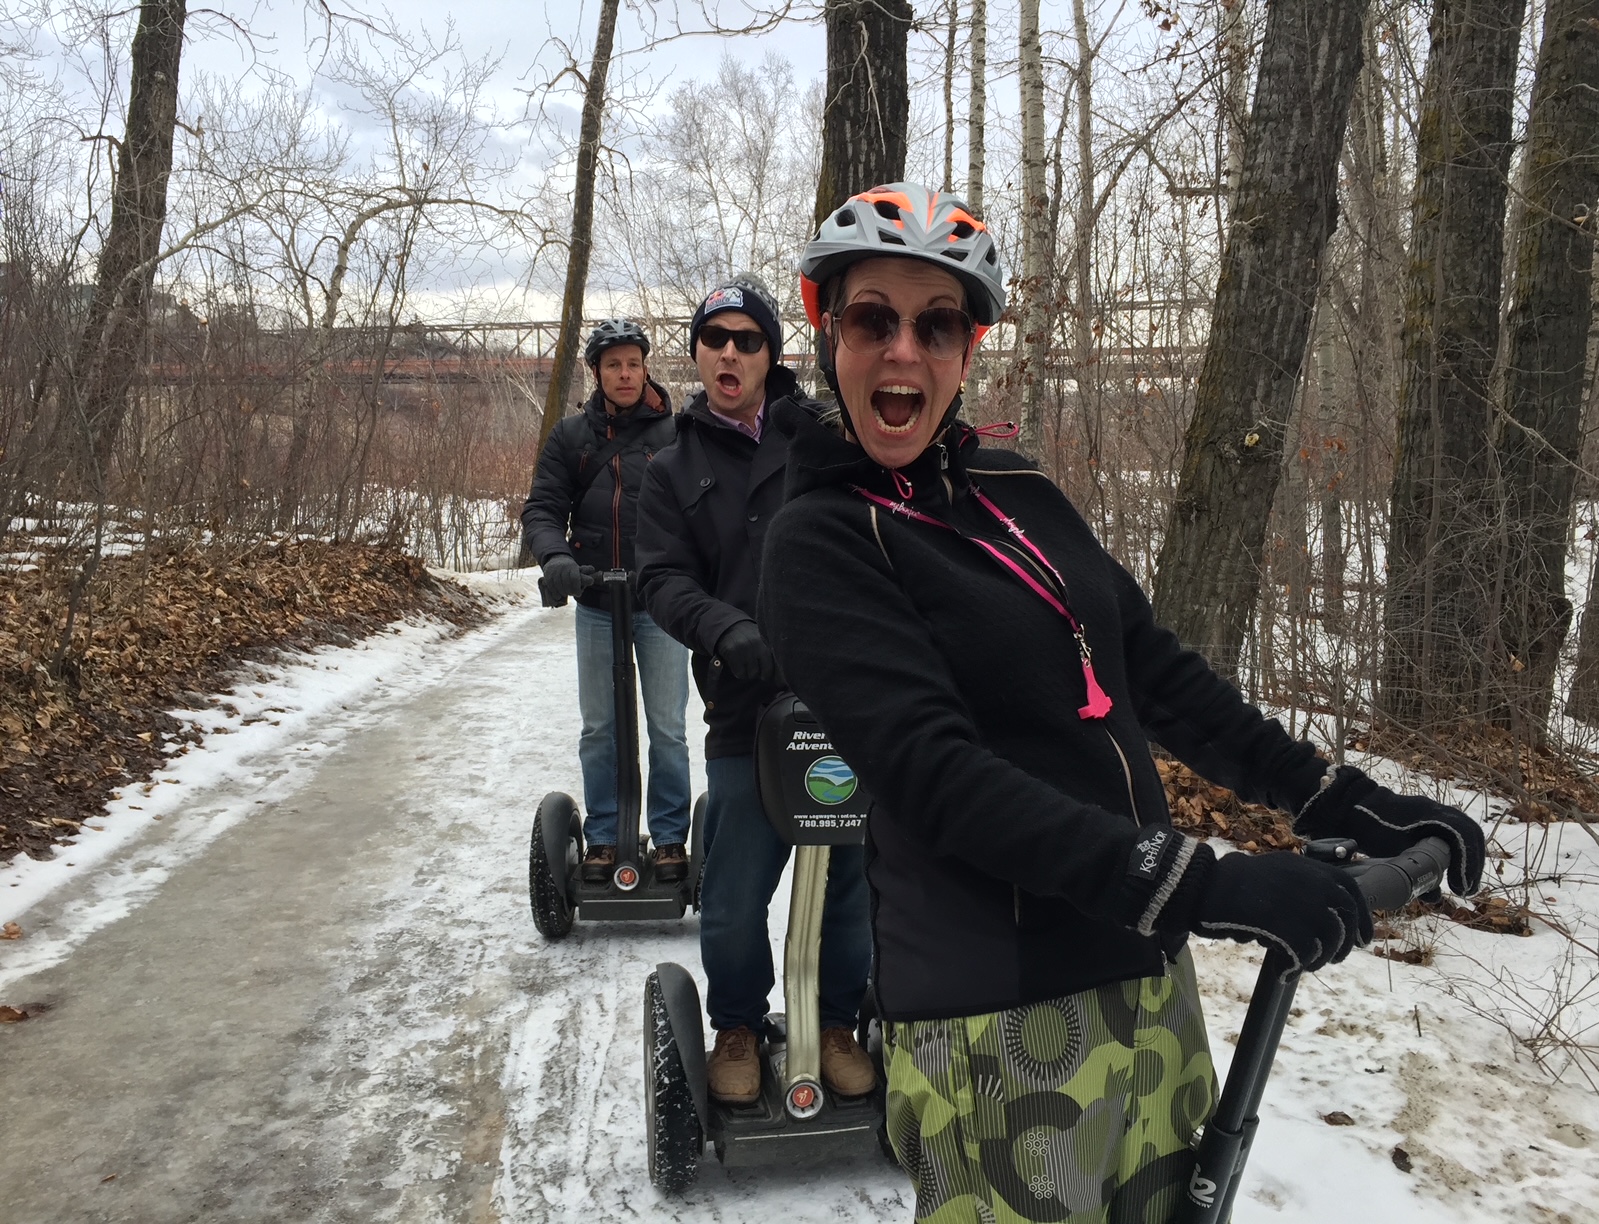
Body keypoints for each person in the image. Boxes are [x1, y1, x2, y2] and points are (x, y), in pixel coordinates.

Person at [757, 183, 1488, 1223]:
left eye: (939, 323)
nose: (904, 352)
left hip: (1141, 978)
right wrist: (1209, 883)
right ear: (829, 334)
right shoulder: (822, 540)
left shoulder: (1019, 496)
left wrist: (1335, 798)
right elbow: (938, 778)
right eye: (873, 318)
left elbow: (1151, 671)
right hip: (993, 1025)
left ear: (972, 349)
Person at [636, 274, 876, 1105]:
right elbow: (660, 577)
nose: (730, 353)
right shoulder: (672, 466)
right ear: (698, 353)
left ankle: (836, 1019)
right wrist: (720, 627)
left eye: (748, 339)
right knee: (736, 888)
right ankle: (737, 1025)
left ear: (771, 354)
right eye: (716, 339)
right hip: (744, 711)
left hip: (841, 705)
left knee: (848, 873)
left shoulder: (823, 439)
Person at [521, 318, 692, 884]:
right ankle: (602, 835)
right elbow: (542, 508)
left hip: (661, 602)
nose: (625, 374)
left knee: (667, 726)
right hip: (596, 601)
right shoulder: (572, 438)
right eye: (613, 364)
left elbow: (700, 513)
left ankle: (669, 838)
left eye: (633, 363)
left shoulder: (676, 435)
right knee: (599, 727)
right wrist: (556, 559)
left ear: (646, 369)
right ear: (596, 372)